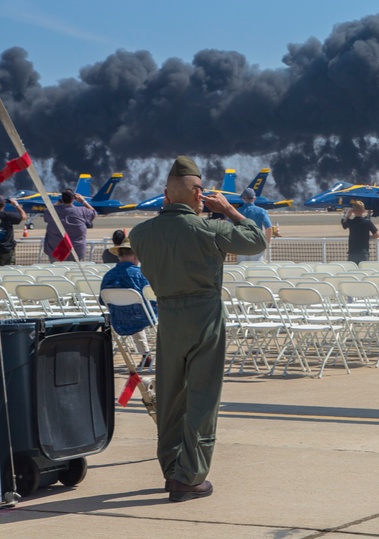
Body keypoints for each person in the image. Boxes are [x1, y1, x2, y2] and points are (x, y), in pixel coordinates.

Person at [129, 155, 266, 503]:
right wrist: (232, 211)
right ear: (198, 194)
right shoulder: (211, 229)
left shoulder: (141, 233)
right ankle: (190, 476)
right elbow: (255, 241)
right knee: (202, 396)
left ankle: (173, 470)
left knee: (171, 396)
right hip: (204, 314)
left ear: (166, 194)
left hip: (169, 315)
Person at [100, 237, 156, 368]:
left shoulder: (108, 275)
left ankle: (146, 354)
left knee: (134, 310)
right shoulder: (141, 274)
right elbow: (151, 297)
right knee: (146, 310)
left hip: (118, 317)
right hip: (142, 316)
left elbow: (103, 300)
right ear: (136, 255)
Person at [42, 188, 97, 262]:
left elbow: (46, 211)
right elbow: (93, 213)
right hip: (76, 252)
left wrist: (59, 201)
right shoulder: (82, 211)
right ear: (73, 199)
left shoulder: (53, 212)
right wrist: (83, 201)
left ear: (62, 199)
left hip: (56, 252)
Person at [0, 195, 26, 266]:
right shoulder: (8, 216)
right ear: (4, 205)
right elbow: (23, 216)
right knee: (9, 270)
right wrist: (16, 205)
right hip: (7, 249)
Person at [237, 187, 273, 261]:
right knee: (256, 270)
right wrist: (267, 242)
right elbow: (269, 228)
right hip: (257, 244)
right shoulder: (261, 211)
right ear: (254, 198)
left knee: (241, 268)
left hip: (241, 245)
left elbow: (228, 225)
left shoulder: (237, 211)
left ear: (243, 199)